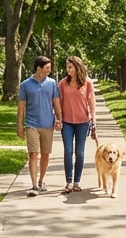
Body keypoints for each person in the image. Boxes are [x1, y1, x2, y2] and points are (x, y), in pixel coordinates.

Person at [17, 55, 61, 197]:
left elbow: (56, 102)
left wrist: (60, 119)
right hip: (32, 124)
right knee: (33, 153)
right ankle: (34, 184)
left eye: (50, 67)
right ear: (38, 68)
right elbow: (21, 107)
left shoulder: (52, 83)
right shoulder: (25, 85)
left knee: (45, 154)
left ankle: (41, 181)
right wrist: (19, 125)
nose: (49, 70)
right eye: (47, 68)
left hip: (48, 124)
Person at [58, 56, 96, 194]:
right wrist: (58, 118)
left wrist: (93, 121)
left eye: (70, 67)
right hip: (67, 122)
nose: (68, 69)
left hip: (83, 122)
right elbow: (58, 102)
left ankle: (76, 182)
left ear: (77, 67)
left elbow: (91, 102)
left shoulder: (87, 83)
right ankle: (68, 182)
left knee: (79, 153)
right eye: (67, 66)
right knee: (68, 151)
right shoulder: (63, 83)